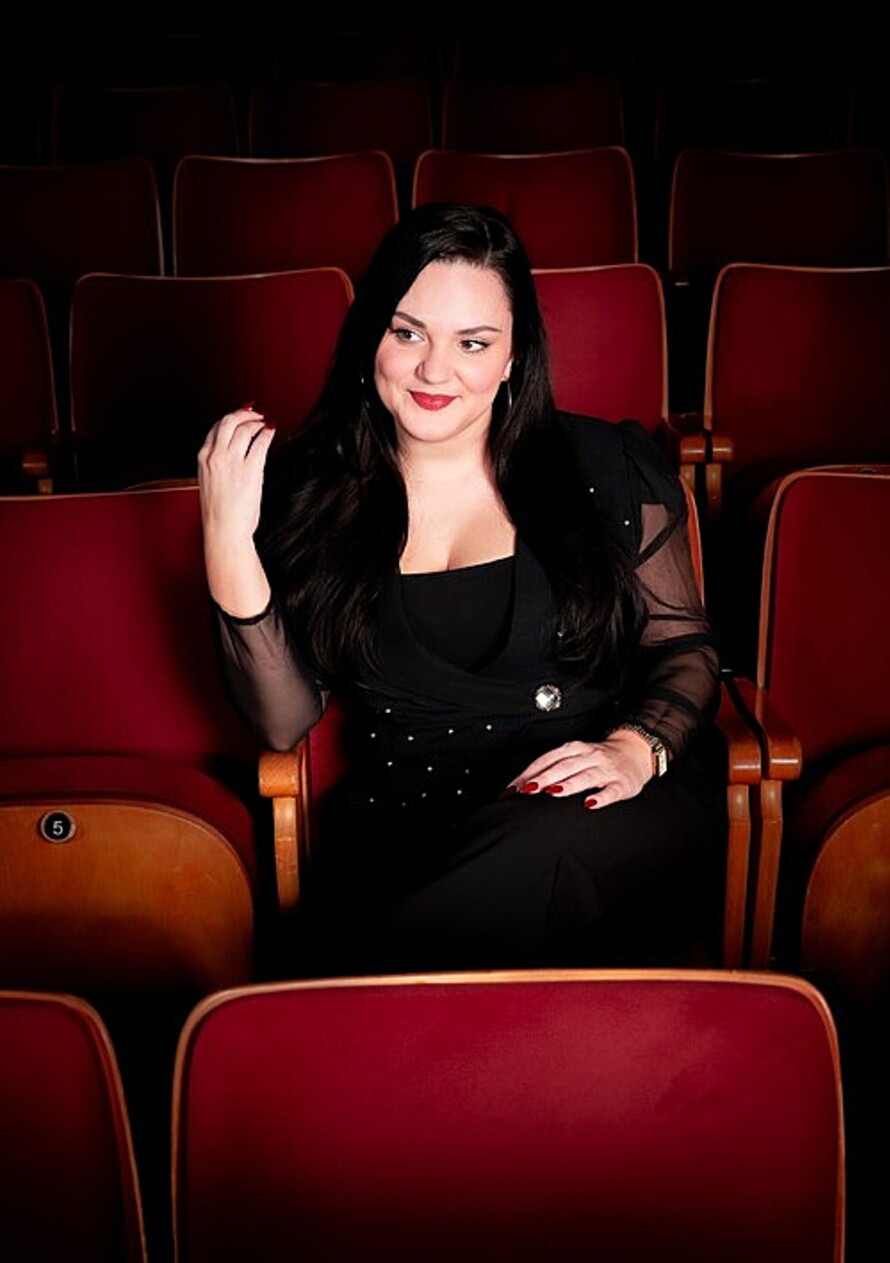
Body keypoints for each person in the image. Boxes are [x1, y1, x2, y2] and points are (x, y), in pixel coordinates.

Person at [198, 202, 725, 974]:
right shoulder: (313, 490)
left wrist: (634, 748)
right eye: (408, 333)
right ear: (371, 335)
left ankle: (318, 1008)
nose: (435, 371)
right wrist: (226, 541)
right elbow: (282, 723)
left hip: (602, 804)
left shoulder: (605, 465)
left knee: (542, 841)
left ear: (513, 357)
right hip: (410, 827)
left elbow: (687, 650)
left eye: (472, 342)